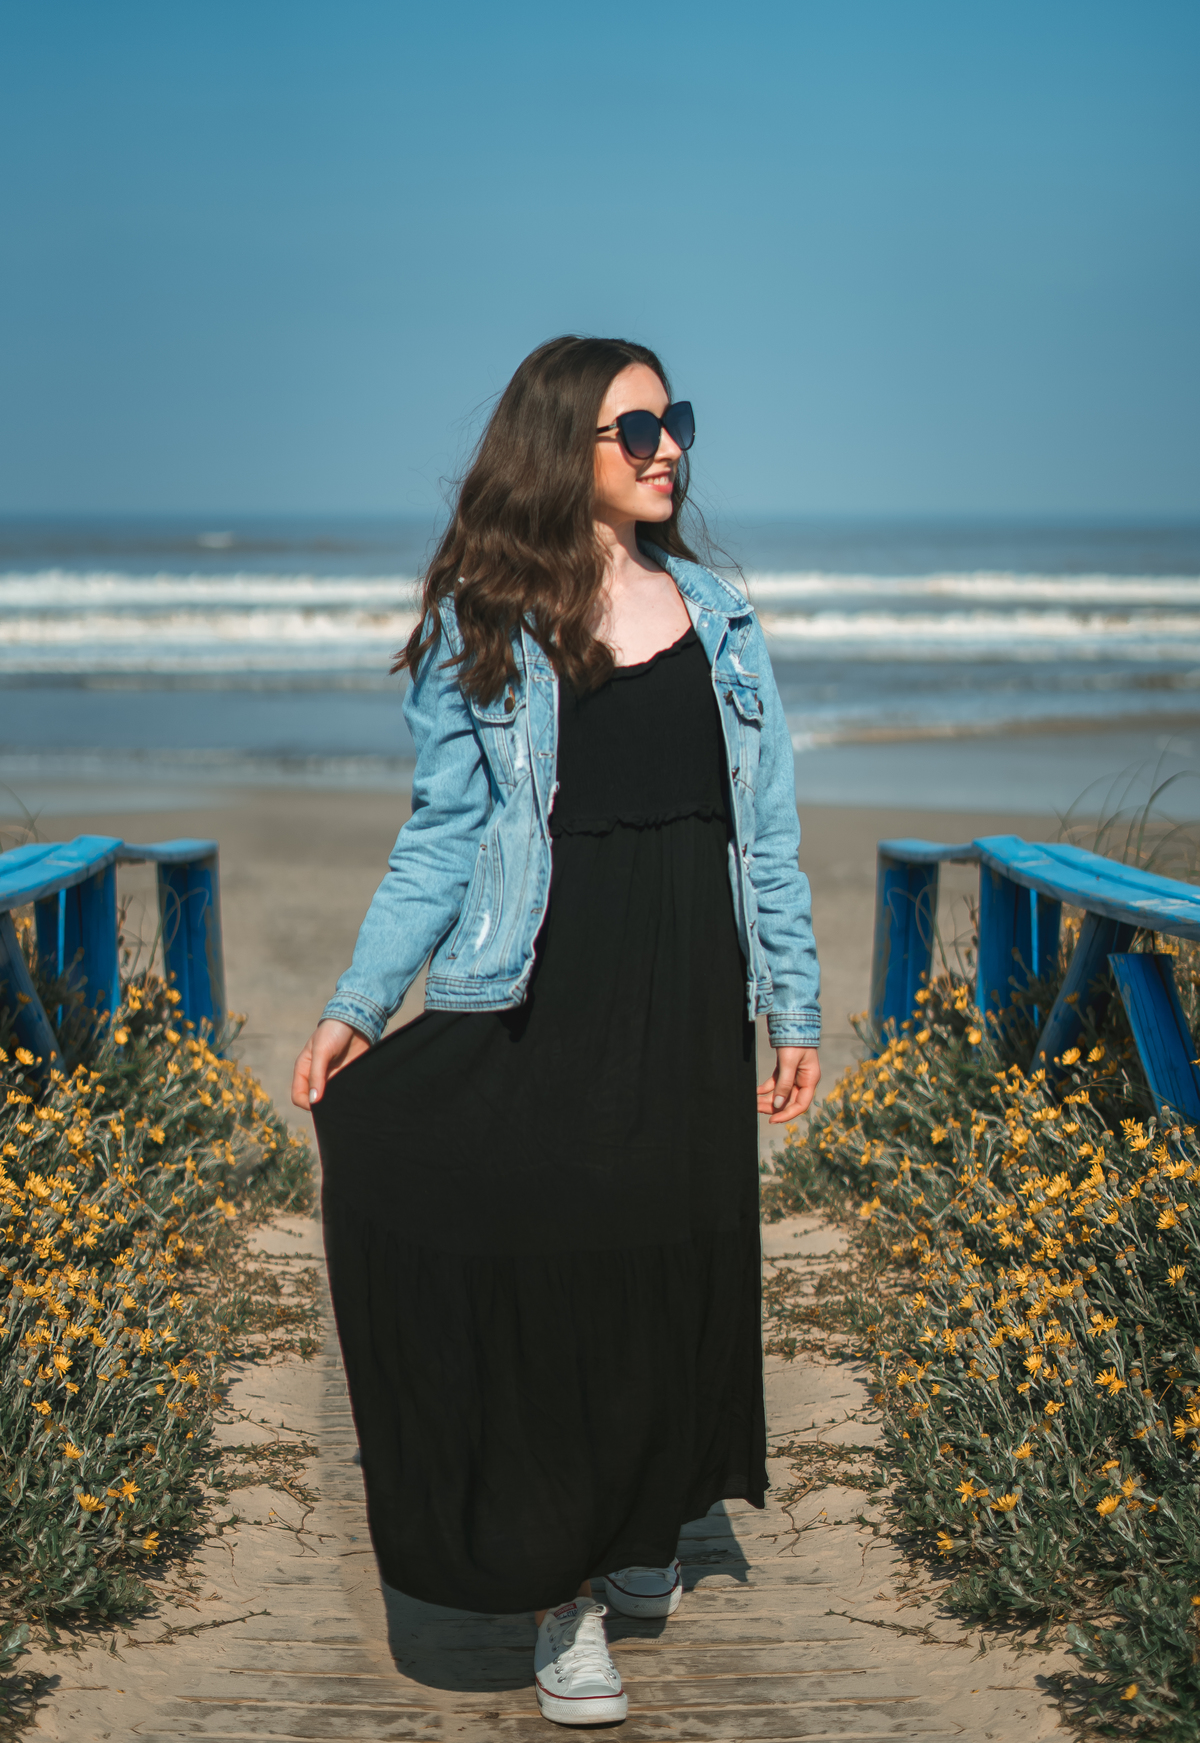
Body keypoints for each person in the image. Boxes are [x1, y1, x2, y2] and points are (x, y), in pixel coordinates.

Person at [292, 335, 821, 1728]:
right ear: (558, 451)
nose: (666, 449)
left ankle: (646, 1519)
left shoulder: (723, 621)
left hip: (693, 984)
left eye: (674, 421)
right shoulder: (492, 622)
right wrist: (360, 1005)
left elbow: (765, 836)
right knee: (560, 1269)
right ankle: (569, 1591)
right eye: (633, 428)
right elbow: (443, 836)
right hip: (545, 987)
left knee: (666, 1253)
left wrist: (796, 1005)